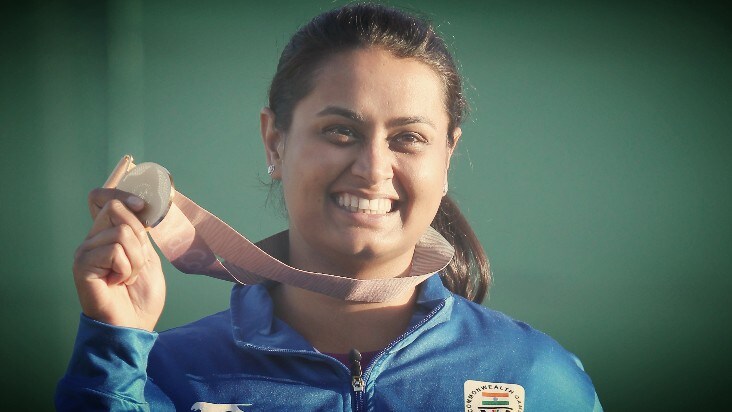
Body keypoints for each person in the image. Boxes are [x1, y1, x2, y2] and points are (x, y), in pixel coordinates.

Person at [56, 3, 602, 411]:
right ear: (275, 142)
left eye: (408, 138)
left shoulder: (534, 376)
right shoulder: (163, 373)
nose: (373, 167)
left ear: (447, 158)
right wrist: (113, 346)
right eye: (340, 131)